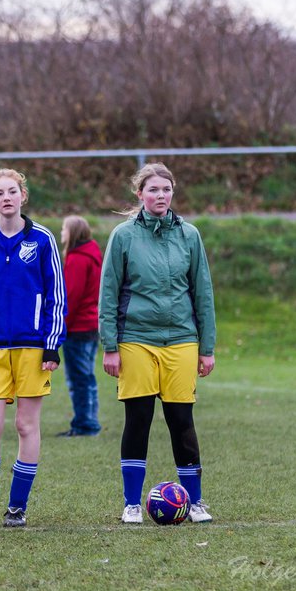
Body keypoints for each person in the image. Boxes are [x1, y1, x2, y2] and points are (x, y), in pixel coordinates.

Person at [99, 162, 216, 525]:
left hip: (182, 340)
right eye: (153, 190)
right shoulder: (123, 235)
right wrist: (110, 345)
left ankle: (195, 502)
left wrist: (206, 347)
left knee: (182, 420)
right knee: (138, 420)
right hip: (135, 340)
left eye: (166, 190)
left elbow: (203, 293)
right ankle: (132, 503)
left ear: (173, 193)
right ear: (140, 194)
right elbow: (108, 292)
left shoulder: (190, 235)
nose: (160, 196)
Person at [0, 169, 66, 527]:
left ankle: (17, 507)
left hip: (33, 348)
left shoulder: (42, 239)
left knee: (25, 425)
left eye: (12, 192)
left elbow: (56, 296)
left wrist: (52, 345)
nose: (6, 198)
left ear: (23, 196)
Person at [58, 215, 103, 437]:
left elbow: (71, 298)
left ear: (73, 232)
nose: (61, 234)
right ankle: (89, 420)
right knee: (87, 377)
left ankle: (85, 423)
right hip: (92, 324)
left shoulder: (77, 259)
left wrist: (60, 327)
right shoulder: (93, 255)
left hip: (78, 327)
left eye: (64, 229)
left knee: (79, 379)